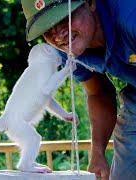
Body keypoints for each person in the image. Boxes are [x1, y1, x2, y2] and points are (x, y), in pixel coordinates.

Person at [21, 0, 136, 179]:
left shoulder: (131, 18)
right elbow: (99, 93)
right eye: (47, 28)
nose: (58, 34)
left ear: (90, 3)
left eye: (65, 18)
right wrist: (97, 152)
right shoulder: (68, 49)